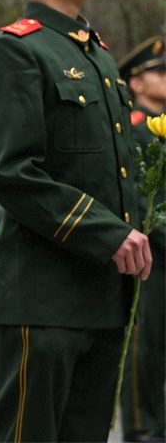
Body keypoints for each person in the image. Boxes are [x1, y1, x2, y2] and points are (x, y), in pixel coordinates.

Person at [0, 0, 152, 442]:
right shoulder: (16, 51)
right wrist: (107, 233)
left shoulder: (99, 55)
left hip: (102, 292)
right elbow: (11, 173)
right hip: (42, 294)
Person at [117, 36, 166, 443]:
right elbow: (135, 194)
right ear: (134, 83)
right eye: (159, 72)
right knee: (143, 343)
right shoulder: (134, 131)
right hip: (149, 249)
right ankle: (140, 423)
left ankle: (158, 418)